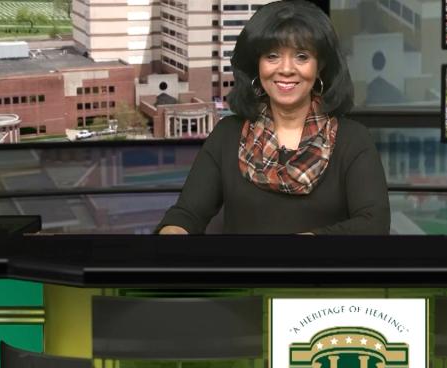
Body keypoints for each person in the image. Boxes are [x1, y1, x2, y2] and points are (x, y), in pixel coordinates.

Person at [155, 0, 390, 235]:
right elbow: (186, 214)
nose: (286, 69)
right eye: (272, 56)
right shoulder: (227, 134)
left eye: (301, 56)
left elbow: (374, 224)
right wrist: (173, 234)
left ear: (320, 66)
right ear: (257, 64)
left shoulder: (353, 139)